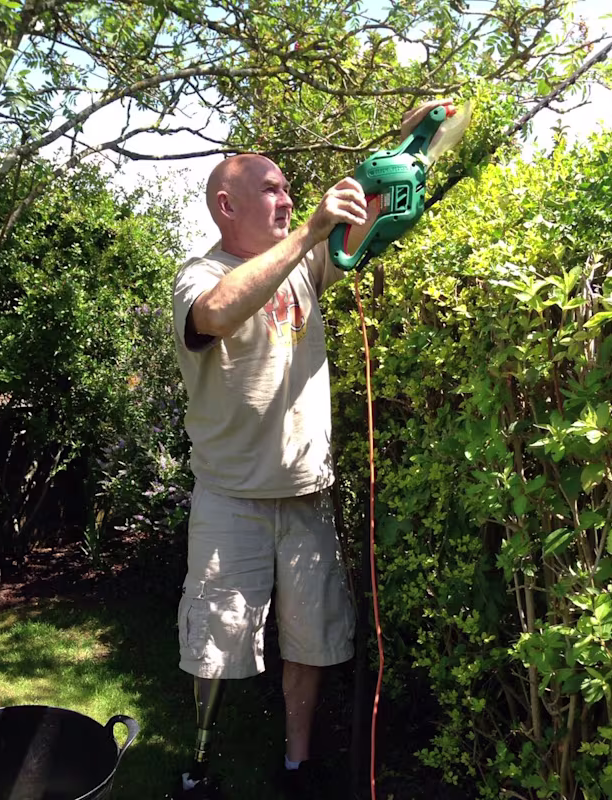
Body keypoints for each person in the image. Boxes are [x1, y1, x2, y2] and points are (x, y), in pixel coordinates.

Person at [172, 102, 449, 799]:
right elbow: (214, 316)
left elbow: (382, 206)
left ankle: (296, 766)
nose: (289, 198)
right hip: (230, 498)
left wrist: (418, 140)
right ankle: (200, 759)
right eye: (273, 189)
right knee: (214, 643)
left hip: (306, 495)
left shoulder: (304, 267)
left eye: (291, 190)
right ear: (226, 203)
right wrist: (305, 231)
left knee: (312, 641)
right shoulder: (198, 275)